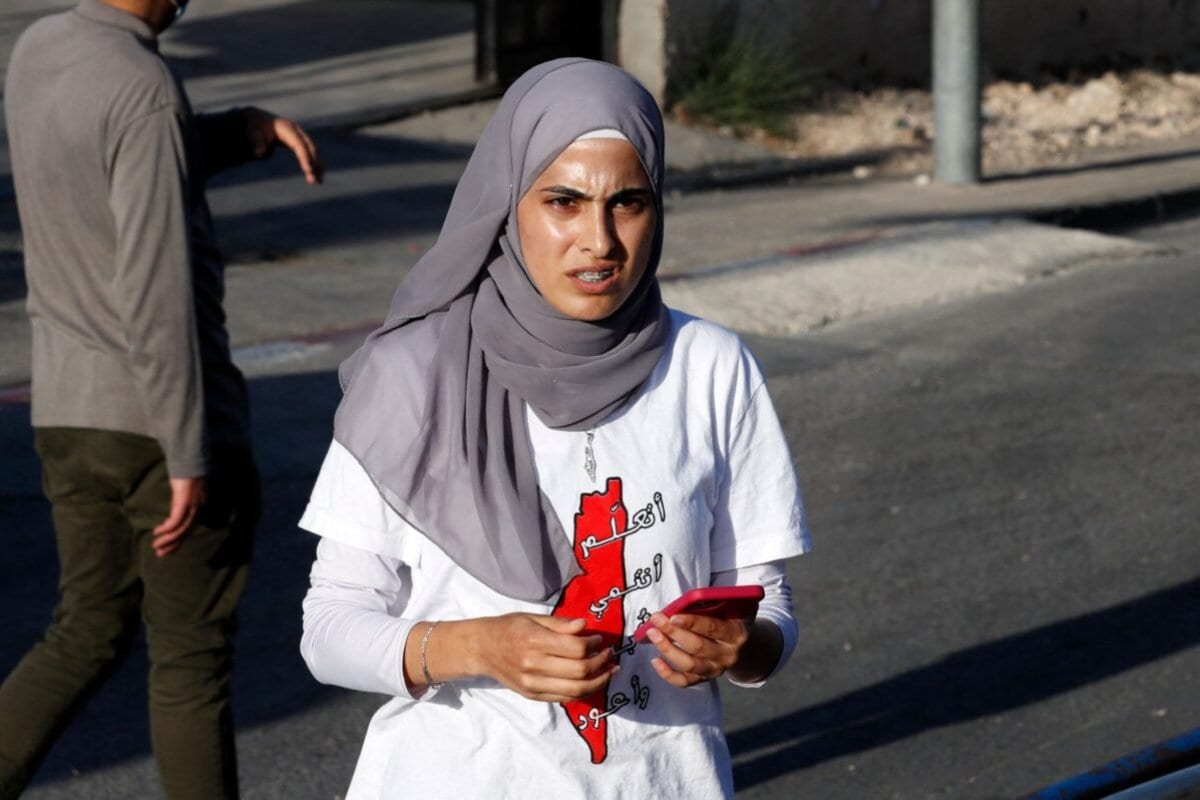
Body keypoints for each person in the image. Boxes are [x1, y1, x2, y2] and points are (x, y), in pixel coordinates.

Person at [299, 58, 807, 798]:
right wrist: (473, 647)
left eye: (628, 202)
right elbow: (327, 630)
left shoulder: (710, 366)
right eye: (563, 201)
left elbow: (768, 611)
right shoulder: (414, 374)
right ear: (509, 205)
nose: (598, 240)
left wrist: (740, 647)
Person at [0, 1, 322, 798]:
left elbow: (105, 161)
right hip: (158, 428)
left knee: (84, 630)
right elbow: (156, 284)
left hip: (69, 413)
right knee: (189, 662)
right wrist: (189, 449)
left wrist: (238, 130)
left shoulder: (39, 49)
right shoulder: (143, 85)